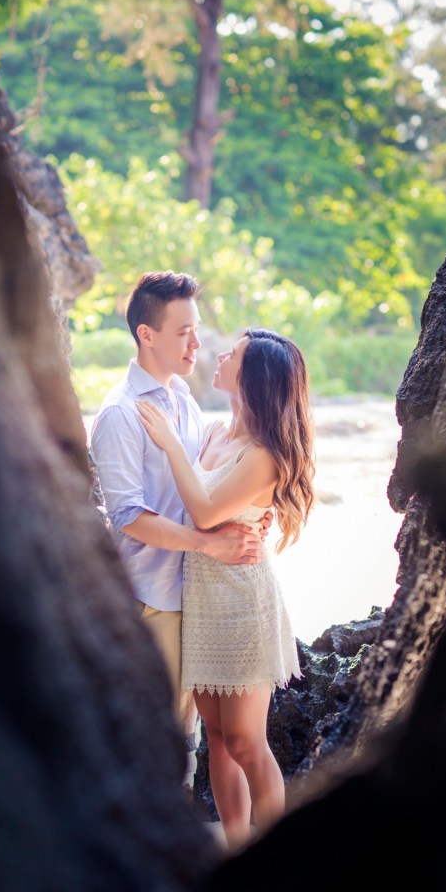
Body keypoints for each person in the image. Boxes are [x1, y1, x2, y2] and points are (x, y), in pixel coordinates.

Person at [136, 328, 315, 849]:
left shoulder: (265, 454)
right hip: (203, 597)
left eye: (232, 354)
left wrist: (169, 444)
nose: (219, 355)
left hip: (242, 602)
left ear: (253, 375)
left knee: (245, 740)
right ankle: (237, 851)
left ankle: (277, 857)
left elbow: (206, 510)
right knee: (215, 739)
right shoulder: (215, 432)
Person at [89, 273, 270, 788]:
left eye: (197, 329)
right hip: (153, 597)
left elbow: (205, 489)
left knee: (190, 740)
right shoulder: (120, 414)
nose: (197, 342)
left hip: (199, 596)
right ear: (147, 335)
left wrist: (255, 508)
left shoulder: (185, 402)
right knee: (157, 740)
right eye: (184, 331)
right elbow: (128, 517)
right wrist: (207, 543)